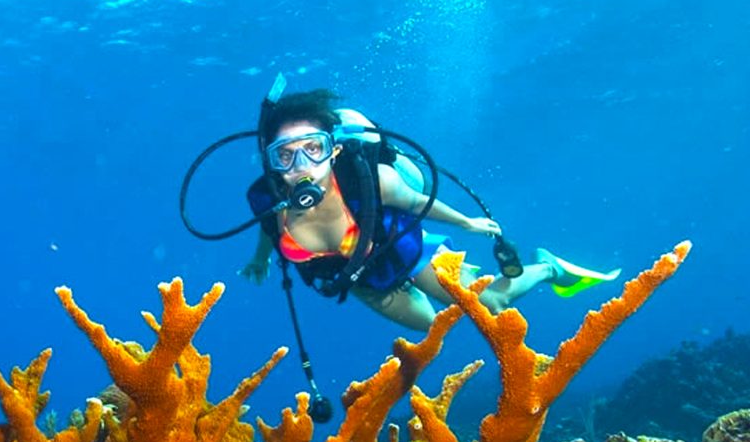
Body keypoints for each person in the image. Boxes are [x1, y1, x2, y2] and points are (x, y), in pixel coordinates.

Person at [240, 89, 619, 331]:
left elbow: (417, 201)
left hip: (406, 251)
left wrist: (466, 222)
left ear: (333, 149)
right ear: (271, 162)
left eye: (314, 148)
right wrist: (260, 260)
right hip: (357, 279)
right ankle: (409, 284)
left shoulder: (369, 180)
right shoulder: (270, 200)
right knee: (429, 325)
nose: (302, 165)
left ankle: (549, 268)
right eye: (285, 155)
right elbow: (270, 230)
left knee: (491, 305)